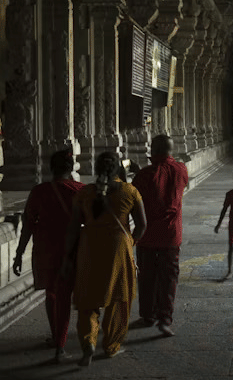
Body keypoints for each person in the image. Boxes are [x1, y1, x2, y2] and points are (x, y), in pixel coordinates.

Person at [62, 152, 147, 367]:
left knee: (87, 300)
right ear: (119, 168)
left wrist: (67, 256)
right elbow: (142, 225)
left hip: (89, 247)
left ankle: (88, 342)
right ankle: (111, 345)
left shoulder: (85, 193)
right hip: (119, 248)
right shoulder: (130, 191)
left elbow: (73, 228)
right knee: (118, 299)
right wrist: (131, 242)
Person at [12, 150, 84, 362]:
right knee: (64, 296)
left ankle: (56, 338)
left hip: (44, 249)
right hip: (72, 250)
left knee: (52, 294)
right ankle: (60, 345)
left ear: (50, 168)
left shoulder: (39, 191)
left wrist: (19, 254)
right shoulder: (80, 191)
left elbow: (27, 225)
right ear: (71, 168)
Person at [132, 134, 189, 337]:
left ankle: (148, 314)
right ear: (170, 150)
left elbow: (135, 197)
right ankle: (165, 319)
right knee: (169, 277)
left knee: (147, 276)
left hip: (146, 235)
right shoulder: (181, 170)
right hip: (171, 235)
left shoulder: (144, 175)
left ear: (152, 150)